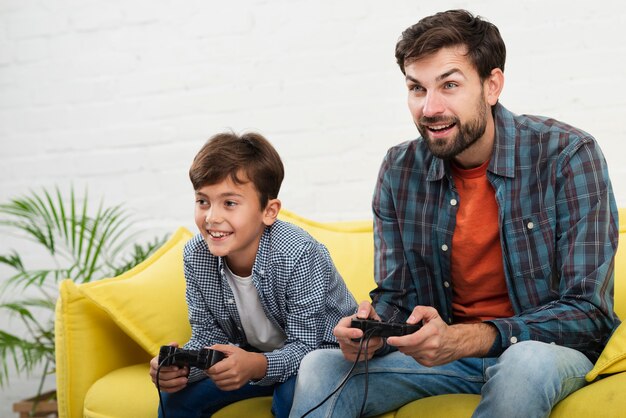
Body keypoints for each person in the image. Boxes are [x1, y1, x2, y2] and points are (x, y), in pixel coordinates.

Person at [289, 9, 619, 418]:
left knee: (524, 364)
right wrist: (371, 328)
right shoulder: (399, 169)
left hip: (547, 355)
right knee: (321, 366)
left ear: (491, 85)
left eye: (449, 85)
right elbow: (397, 296)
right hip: (446, 358)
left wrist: (471, 337)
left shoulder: (568, 156)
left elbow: (588, 312)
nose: (430, 108)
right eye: (416, 88)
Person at [149, 131, 357, 418]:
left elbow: (306, 347)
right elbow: (207, 336)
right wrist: (180, 366)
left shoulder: (296, 253)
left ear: (269, 211)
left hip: (319, 356)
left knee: (292, 397)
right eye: (203, 202)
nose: (211, 218)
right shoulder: (196, 256)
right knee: (174, 402)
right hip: (254, 356)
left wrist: (257, 365)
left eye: (229, 203)